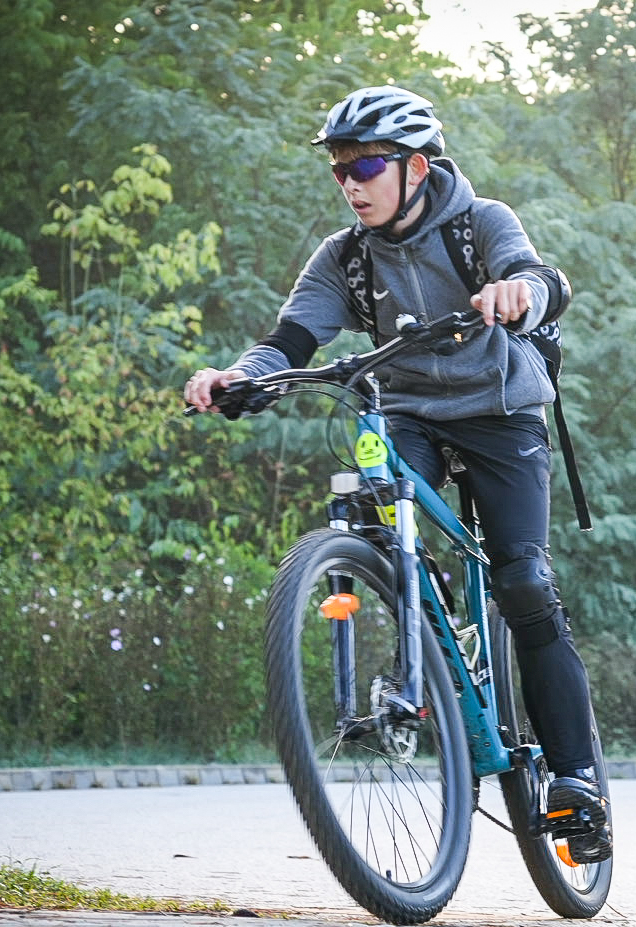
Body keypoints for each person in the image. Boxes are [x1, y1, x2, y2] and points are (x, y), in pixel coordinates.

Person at [183, 86, 609, 863]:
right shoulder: (343, 257)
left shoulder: (482, 223)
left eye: (366, 166)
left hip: (501, 410)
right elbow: (290, 339)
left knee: (522, 581)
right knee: (377, 511)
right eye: (340, 169)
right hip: (406, 410)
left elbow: (544, 281)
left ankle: (576, 778)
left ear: (415, 167)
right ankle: (428, 633)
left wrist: (520, 293)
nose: (350, 183)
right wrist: (240, 377)